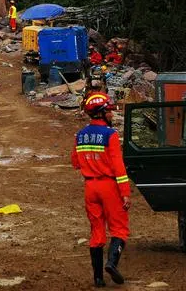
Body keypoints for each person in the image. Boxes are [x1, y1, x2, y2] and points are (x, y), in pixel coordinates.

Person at [72, 92, 130, 287]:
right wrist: (125, 193)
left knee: (97, 232)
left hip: (90, 187)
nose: (112, 115)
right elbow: (118, 167)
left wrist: (90, 161)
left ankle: (98, 278)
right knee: (119, 229)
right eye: (109, 111)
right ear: (101, 113)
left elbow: (75, 162)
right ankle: (112, 264)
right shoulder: (111, 135)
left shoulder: (80, 135)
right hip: (109, 186)